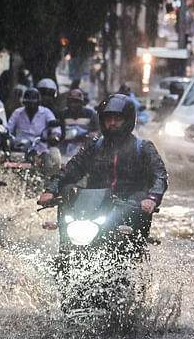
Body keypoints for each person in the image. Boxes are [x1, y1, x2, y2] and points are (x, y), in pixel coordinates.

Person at [38, 92, 167, 242]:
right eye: (108, 118)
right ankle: (65, 247)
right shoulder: (93, 146)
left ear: (128, 120)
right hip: (94, 206)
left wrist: (151, 198)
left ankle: (134, 253)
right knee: (68, 191)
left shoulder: (144, 147)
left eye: (117, 119)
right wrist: (51, 191)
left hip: (129, 206)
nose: (112, 123)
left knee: (136, 208)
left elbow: (160, 176)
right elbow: (69, 171)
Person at [6, 87, 58, 158]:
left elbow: (55, 128)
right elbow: (9, 127)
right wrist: (6, 134)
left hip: (40, 149)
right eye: (28, 104)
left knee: (48, 164)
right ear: (24, 103)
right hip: (19, 147)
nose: (31, 106)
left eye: (34, 104)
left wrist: (54, 136)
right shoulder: (17, 112)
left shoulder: (46, 112)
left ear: (38, 103)